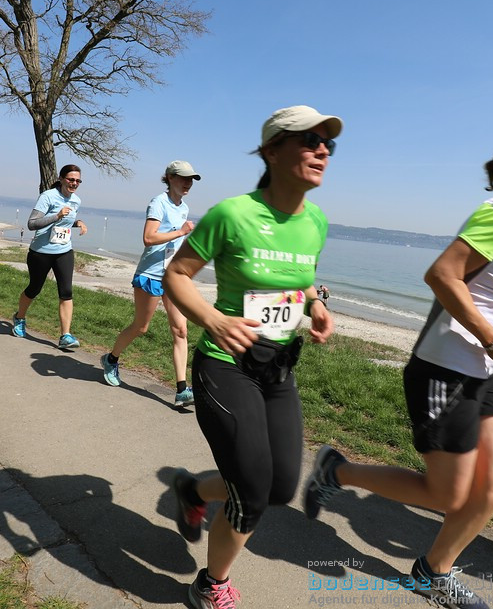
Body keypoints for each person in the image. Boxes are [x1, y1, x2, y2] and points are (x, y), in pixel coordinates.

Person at [303, 123, 493, 609]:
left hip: (481, 365)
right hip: (445, 370)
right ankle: (337, 472)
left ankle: (433, 571)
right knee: (449, 495)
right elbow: (441, 274)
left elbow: (475, 294)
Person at [165, 105, 339, 609]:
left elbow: (302, 277)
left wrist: (317, 305)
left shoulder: (316, 221)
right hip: (224, 363)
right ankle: (210, 583)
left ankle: (195, 492)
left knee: (282, 485)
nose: (322, 149)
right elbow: (177, 275)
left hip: (277, 367)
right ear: (271, 151)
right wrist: (214, 320)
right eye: (309, 140)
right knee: (253, 491)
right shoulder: (233, 213)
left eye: (327, 142)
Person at [100, 160, 200, 405]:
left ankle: (181, 389)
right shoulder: (158, 203)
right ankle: (111, 359)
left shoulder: (183, 207)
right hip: (151, 274)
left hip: (173, 276)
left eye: (191, 179)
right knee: (141, 327)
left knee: (180, 329)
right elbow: (148, 238)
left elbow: (175, 241)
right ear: (170, 178)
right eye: (184, 178)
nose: (188, 183)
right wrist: (180, 232)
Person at [11, 164, 87, 349]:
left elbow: (66, 222)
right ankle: (19, 317)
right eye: (70, 179)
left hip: (64, 251)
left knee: (66, 292)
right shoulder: (48, 196)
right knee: (34, 288)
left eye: (78, 181)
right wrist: (56, 215)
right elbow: (32, 224)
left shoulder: (76, 200)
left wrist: (79, 223)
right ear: (61, 179)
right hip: (41, 252)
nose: (74, 183)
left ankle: (65, 336)